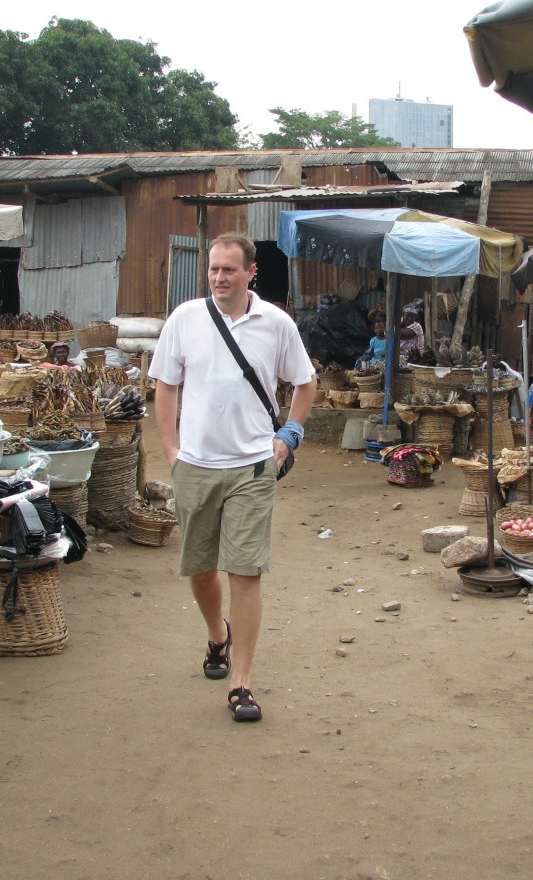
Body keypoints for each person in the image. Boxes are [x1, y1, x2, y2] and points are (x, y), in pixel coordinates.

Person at [150, 233, 317, 723]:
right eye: (213, 269)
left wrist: (288, 435)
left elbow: (305, 383)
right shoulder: (185, 319)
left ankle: (242, 682)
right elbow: (165, 385)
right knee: (201, 570)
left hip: (251, 467)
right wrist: (171, 451)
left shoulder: (276, 323)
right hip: (196, 466)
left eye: (229, 269)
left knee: (245, 571)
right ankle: (217, 636)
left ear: (250, 273)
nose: (219, 277)